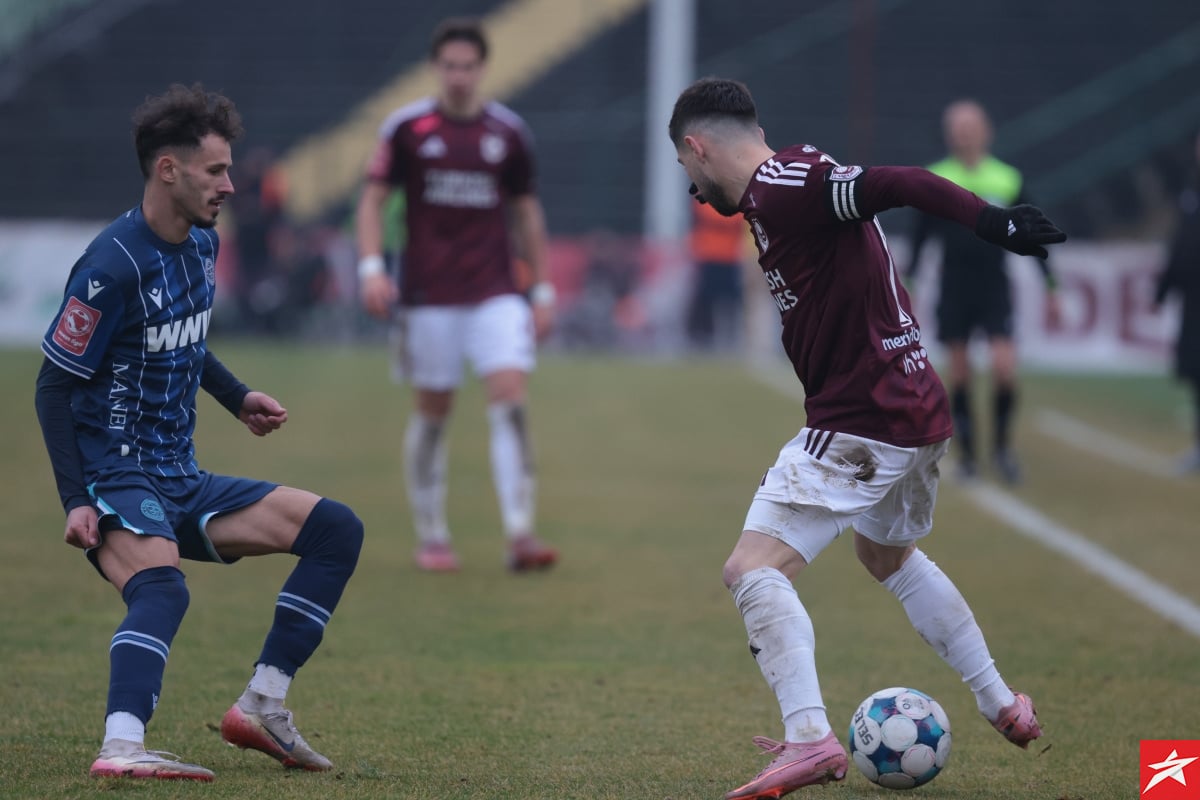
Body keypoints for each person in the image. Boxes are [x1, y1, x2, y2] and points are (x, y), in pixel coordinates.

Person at [668, 78, 1063, 800]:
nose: (693, 190)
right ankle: (1003, 703)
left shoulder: (786, 185)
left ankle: (809, 738)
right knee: (885, 556)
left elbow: (901, 181)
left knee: (752, 568)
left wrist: (993, 223)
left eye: (686, 169)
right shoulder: (783, 182)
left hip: (862, 419)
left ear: (697, 147)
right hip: (913, 408)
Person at [34, 84, 364, 781]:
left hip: (179, 474)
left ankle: (263, 704)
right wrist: (75, 498)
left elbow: (185, 340)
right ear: (168, 170)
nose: (230, 185)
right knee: (162, 585)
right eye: (215, 170)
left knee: (335, 529)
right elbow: (54, 386)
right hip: (114, 473)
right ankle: (122, 746)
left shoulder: (204, 244)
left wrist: (236, 396)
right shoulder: (109, 267)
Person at [357, 17, 557, 572]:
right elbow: (372, 200)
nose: (459, 76)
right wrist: (371, 268)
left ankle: (520, 533)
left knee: (511, 399)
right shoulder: (407, 129)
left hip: (496, 290)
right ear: (435, 67)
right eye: (450, 66)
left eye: (468, 66)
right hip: (428, 295)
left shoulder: (508, 133)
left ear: (483, 68)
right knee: (433, 411)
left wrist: (542, 290)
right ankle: (432, 535)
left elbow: (527, 214)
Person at [906, 100, 1060, 483]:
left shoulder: (1007, 179)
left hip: (994, 286)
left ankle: (1003, 451)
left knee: (1004, 368)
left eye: (971, 127)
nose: (965, 134)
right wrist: (907, 286)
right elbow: (920, 237)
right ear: (948, 134)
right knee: (959, 374)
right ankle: (970, 458)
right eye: (958, 128)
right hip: (954, 286)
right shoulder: (937, 177)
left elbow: (1033, 233)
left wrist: (1051, 287)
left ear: (986, 132)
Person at [1154, 130, 1200, 474]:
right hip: (1194, 298)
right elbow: (1182, 245)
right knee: (1196, 372)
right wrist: (1163, 290)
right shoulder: (1190, 190)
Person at [687, 198, 749, 352]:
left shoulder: (732, 198)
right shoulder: (706, 198)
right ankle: (704, 336)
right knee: (706, 298)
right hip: (709, 255)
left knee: (731, 299)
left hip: (729, 257)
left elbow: (737, 220)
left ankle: (730, 336)